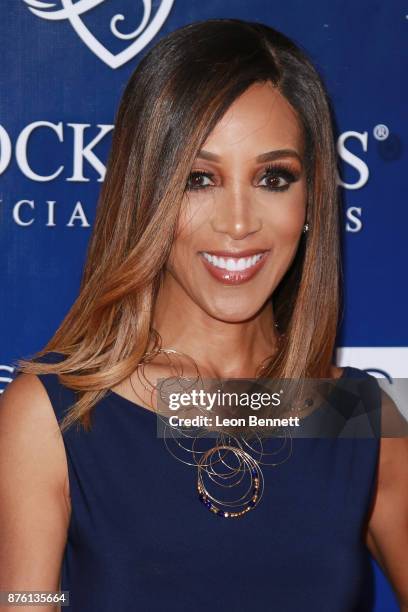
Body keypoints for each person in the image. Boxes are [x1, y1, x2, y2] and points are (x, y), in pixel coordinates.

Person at [0, 18, 407, 612]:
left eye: (274, 178)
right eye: (198, 179)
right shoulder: (57, 414)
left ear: (312, 197)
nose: (238, 223)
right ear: (147, 194)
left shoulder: (357, 419)